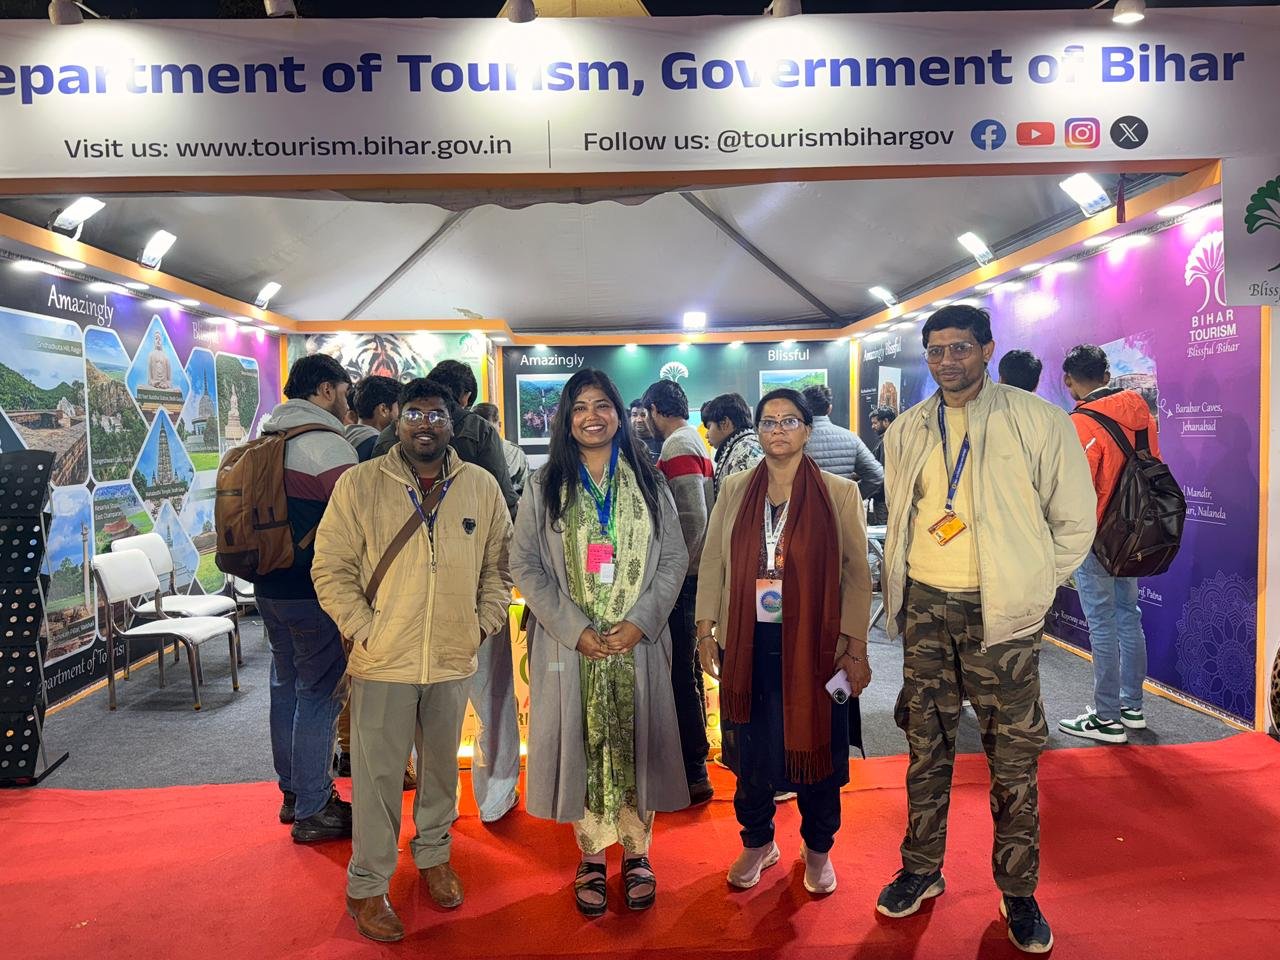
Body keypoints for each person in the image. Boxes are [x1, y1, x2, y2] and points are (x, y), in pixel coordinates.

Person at [875, 305, 1095, 954]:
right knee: (926, 745)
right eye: (937, 350)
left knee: (1013, 756)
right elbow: (905, 512)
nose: (948, 360)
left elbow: (1074, 520)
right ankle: (921, 868)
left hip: (1002, 615)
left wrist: (1032, 583)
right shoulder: (908, 429)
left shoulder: (1037, 421)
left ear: (988, 349)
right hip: (925, 607)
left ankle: (1019, 890)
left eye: (961, 347)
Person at [313, 378, 513, 943]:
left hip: (451, 658)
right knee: (377, 779)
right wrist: (365, 629)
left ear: (453, 423)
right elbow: (330, 567)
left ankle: (434, 856)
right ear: (396, 420)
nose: (426, 425)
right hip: (383, 661)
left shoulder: (480, 487)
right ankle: (368, 884)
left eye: (437, 415)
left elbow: (500, 566)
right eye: (414, 414)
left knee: (442, 771)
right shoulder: (360, 484)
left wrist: (480, 624)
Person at [510, 368, 690, 918]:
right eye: (580, 406)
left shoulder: (649, 480)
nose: (592, 416)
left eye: (602, 405)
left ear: (619, 413)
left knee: (637, 744)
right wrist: (574, 629)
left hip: (637, 644)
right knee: (582, 745)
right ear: (566, 418)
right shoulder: (545, 484)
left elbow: (674, 558)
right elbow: (524, 563)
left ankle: (637, 852)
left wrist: (640, 622)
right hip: (572, 648)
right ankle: (590, 855)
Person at [695, 389, 872, 895]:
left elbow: (856, 574)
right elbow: (713, 559)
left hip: (816, 650)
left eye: (789, 421)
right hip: (747, 645)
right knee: (751, 757)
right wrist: (705, 628)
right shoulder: (735, 488)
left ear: (807, 431)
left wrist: (855, 646)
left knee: (818, 758)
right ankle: (757, 842)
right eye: (769, 421)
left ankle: (817, 850)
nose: (778, 429)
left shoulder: (838, 493)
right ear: (757, 430)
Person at [372, 359, 522, 822]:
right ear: (464, 398)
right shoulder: (478, 432)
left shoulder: (388, 438)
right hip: (473, 587)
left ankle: (440, 801)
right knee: (492, 695)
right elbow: (504, 507)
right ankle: (495, 796)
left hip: (406, 597)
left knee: (426, 705)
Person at [256, 355, 358, 843]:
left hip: (267, 586)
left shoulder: (264, 439)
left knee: (286, 684)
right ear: (325, 390)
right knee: (319, 691)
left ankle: (294, 794)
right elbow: (362, 518)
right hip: (314, 589)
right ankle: (315, 807)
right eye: (344, 391)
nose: (348, 401)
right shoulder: (326, 446)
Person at [1058, 344, 1158, 744]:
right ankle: (1132, 707)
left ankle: (1106, 717)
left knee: (1101, 621)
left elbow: (1080, 487)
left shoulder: (1080, 422)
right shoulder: (1141, 413)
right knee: (1128, 615)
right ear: (1105, 375)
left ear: (1068, 381)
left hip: (1099, 535)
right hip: (1136, 531)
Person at [643, 378, 715, 805]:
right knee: (684, 671)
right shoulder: (690, 442)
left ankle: (692, 768)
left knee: (680, 674)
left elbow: (693, 519)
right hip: (689, 576)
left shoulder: (678, 446)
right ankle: (691, 765)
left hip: (684, 580)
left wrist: (674, 575)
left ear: (656, 410)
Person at [372, 360, 519, 514]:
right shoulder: (480, 430)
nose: (425, 425)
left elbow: (373, 494)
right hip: (468, 522)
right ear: (466, 396)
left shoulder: (389, 433)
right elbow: (503, 498)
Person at [800, 385, 884, 501]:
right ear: (829, 408)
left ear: (802, 409)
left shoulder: (794, 440)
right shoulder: (851, 438)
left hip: (804, 508)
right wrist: (850, 499)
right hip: (841, 509)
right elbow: (876, 475)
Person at [701, 393, 764, 502]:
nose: (707, 435)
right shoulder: (743, 445)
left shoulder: (746, 449)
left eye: (709, 427)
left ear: (724, 423)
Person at [474, 401, 530, 496]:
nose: (484, 434)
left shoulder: (515, 453)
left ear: (499, 425)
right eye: (478, 429)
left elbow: (525, 489)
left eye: (489, 429)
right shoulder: (466, 452)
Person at [345, 375, 401, 463]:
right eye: (400, 407)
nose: (402, 414)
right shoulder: (380, 446)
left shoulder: (345, 435)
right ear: (383, 409)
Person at [867, 406, 897, 526]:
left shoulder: (886, 442)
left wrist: (872, 492)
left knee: (883, 531)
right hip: (889, 496)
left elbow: (883, 472)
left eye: (875, 423)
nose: (873, 426)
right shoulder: (893, 440)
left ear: (886, 421)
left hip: (883, 499)